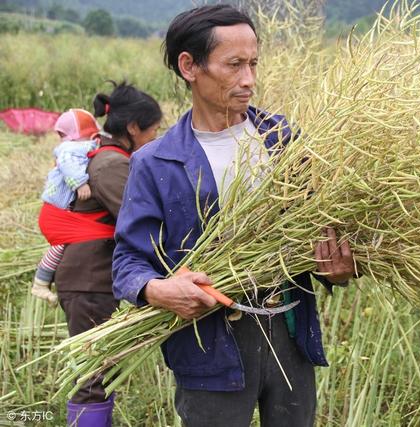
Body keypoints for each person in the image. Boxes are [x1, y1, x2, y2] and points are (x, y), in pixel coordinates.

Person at [112, 5, 355, 427]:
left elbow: (319, 228)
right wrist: (158, 290)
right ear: (190, 66)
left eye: (254, 63)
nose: (249, 80)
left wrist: (337, 269)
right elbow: (127, 262)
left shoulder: (283, 141)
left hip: (289, 335)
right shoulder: (155, 162)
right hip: (209, 346)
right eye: (234, 65)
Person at [54, 82, 162, 427]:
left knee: (100, 369)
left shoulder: (108, 156)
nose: (155, 137)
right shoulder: (112, 165)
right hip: (89, 282)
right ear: (132, 128)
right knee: (93, 376)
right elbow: (138, 222)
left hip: (92, 280)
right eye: (153, 129)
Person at [32, 109, 101, 306]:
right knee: (61, 244)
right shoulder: (71, 148)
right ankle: (40, 282)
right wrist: (80, 183)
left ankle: (44, 281)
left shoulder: (71, 146)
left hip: (56, 211)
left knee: (60, 247)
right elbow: (68, 164)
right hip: (55, 212)